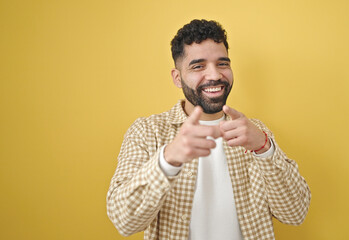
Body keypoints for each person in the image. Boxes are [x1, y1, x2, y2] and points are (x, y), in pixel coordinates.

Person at [106, 19, 311, 240]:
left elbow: (295, 214)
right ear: (177, 78)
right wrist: (167, 160)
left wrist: (264, 148)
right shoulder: (147, 132)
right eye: (198, 66)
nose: (214, 75)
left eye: (222, 64)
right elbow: (124, 221)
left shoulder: (256, 132)